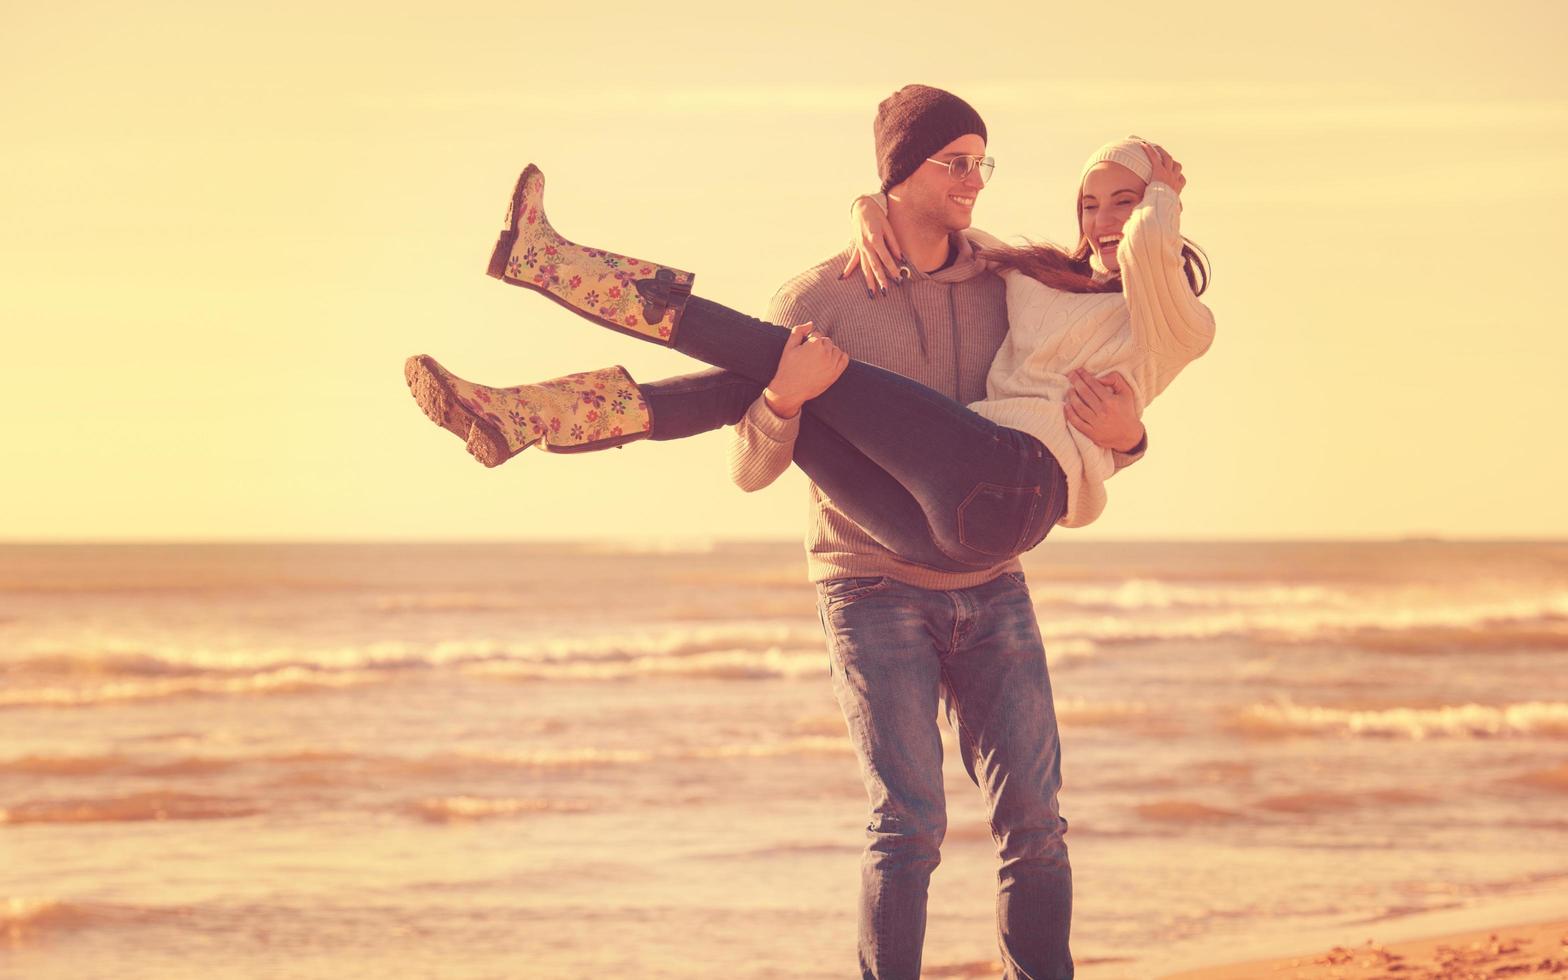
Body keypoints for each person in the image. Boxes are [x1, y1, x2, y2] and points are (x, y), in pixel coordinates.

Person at [403, 84, 1214, 977]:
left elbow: (1119, 327)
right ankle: (524, 407)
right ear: (901, 174)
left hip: (990, 554)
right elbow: (752, 467)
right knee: (905, 827)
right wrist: (786, 399)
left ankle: (546, 312)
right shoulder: (858, 292)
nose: (976, 181)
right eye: (956, 163)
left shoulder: (1034, 282)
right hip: (878, 570)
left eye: (983, 163)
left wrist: (1131, 434)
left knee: (1033, 821)